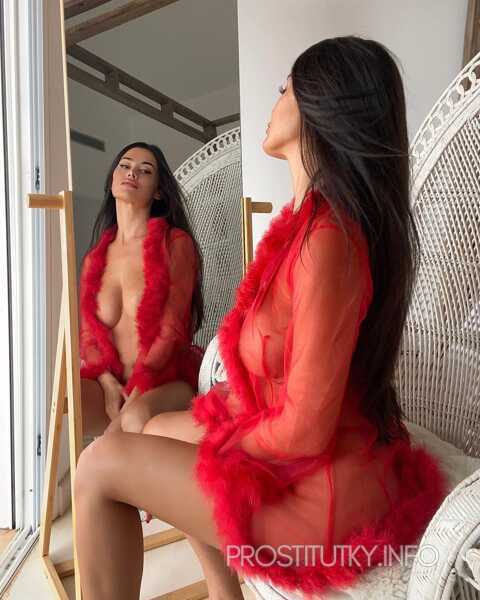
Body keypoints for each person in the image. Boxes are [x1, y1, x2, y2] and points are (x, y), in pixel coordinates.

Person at [74, 37, 448, 600]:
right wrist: (175, 426)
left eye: (284, 89)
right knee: (149, 430)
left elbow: (304, 430)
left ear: (320, 105)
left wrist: (212, 442)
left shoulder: (327, 240)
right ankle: (225, 594)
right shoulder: (305, 225)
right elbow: (273, 387)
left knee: (99, 466)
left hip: (316, 500)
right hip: (301, 453)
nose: (274, 102)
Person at [79, 142, 204, 436]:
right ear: (112, 181)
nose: (132, 173)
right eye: (124, 165)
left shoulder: (176, 244)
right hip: (112, 383)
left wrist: (138, 389)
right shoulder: (94, 258)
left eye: (145, 170)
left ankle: (108, 452)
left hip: (164, 380)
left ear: (158, 191)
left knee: (132, 421)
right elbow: (88, 336)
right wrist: (108, 384)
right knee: (60, 400)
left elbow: (172, 330)